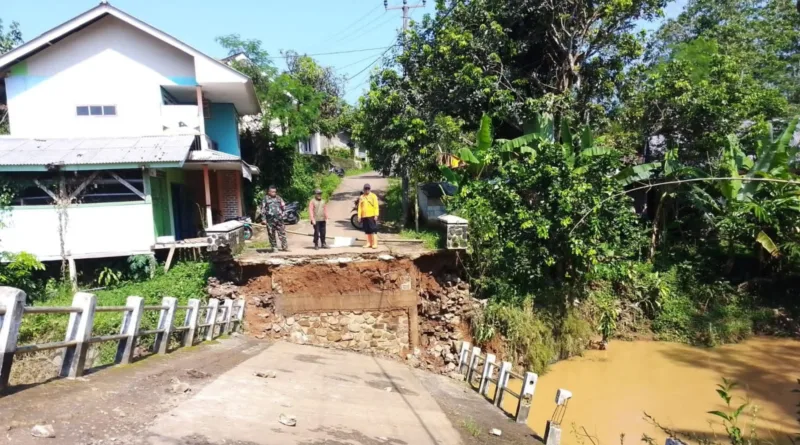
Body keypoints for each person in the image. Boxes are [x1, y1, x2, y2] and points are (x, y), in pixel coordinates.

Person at [262, 185, 288, 252]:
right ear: (269, 192)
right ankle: (274, 247)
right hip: (270, 220)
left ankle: (284, 246)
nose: (274, 193)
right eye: (272, 192)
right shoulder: (265, 199)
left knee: (282, 233)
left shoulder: (279, 198)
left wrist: (283, 215)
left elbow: (284, 207)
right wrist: (263, 219)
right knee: (271, 234)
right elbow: (263, 209)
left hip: (279, 220)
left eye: (275, 192)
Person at [357, 183, 380, 249]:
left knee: (373, 229)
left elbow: (376, 206)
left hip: (371, 215)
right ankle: (368, 243)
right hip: (364, 216)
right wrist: (359, 216)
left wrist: (376, 215)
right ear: (363, 189)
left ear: (370, 189)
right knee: (367, 230)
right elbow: (360, 207)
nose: (367, 190)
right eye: (365, 189)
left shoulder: (373, 196)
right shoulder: (361, 197)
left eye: (368, 188)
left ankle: (375, 244)